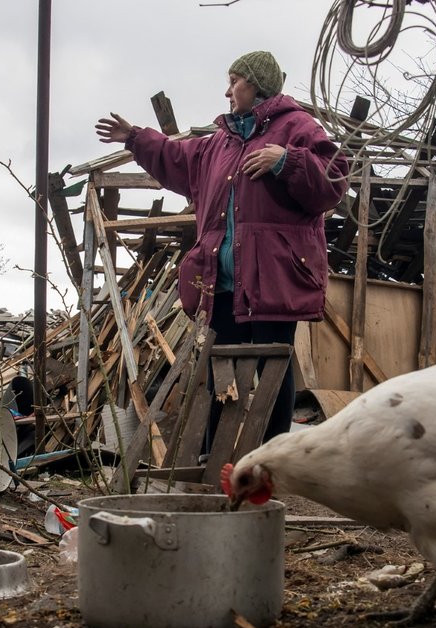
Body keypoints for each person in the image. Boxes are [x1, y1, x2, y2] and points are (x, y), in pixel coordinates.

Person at [95, 50, 349, 447]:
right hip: (222, 280)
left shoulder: (298, 127)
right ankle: (213, 458)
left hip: (274, 277)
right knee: (220, 371)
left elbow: (334, 180)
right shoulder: (220, 144)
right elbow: (174, 156)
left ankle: (269, 463)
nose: (227, 91)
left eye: (234, 81)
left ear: (257, 85)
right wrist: (135, 138)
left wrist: (288, 160)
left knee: (273, 371)